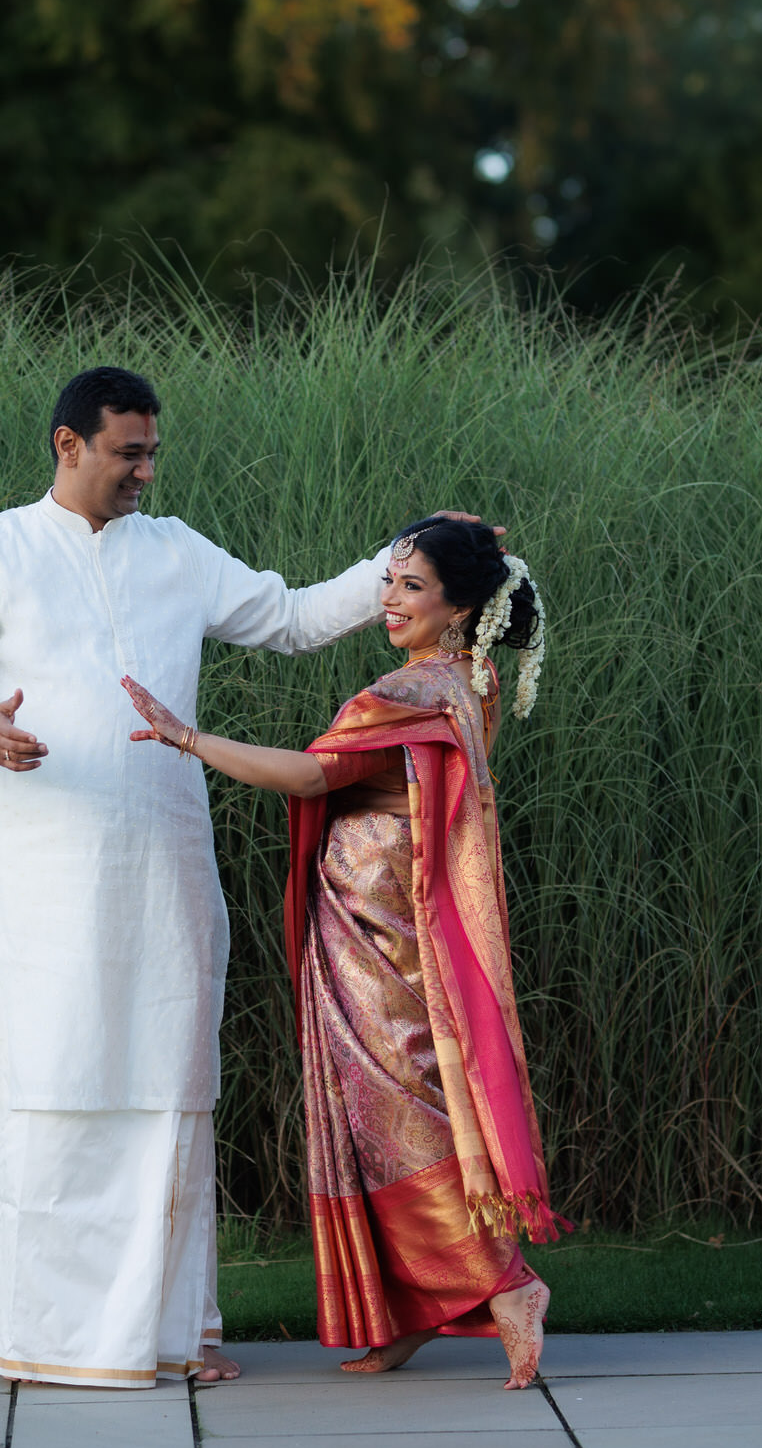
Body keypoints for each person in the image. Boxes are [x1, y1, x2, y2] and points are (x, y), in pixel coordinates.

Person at [0, 365, 494, 1390]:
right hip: (46, 879)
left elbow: (296, 616)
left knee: (168, 1087)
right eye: (128, 452)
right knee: (50, 1079)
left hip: (165, 867)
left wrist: (403, 554)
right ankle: (51, 1336)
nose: (144, 471)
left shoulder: (173, 552)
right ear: (67, 445)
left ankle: (174, 1333)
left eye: (151, 453)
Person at [121, 515, 566, 1391]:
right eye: (390, 584)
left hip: (379, 941)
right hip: (377, 925)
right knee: (373, 1115)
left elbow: (311, 776)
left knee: (397, 1115)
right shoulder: (464, 683)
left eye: (411, 588)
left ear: (459, 606)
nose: (390, 602)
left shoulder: (410, 691)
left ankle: (504, 1285)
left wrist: (189, 740)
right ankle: (410, 1310)